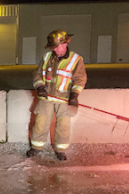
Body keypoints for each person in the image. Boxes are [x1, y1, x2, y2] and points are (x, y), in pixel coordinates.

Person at [26, 30, 87, 161]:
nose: (56, 49)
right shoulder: (46, 58)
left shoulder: (76, 60)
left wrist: (74, 95)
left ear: (66, 43)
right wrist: (40, 87)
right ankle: (36, 147)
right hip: (46, 97)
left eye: (58, 46)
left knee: (63, 126)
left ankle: (61, 150)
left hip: (64, 99)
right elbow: (37, 75)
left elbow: (80, 79)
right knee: (40, 123)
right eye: (53, 47)